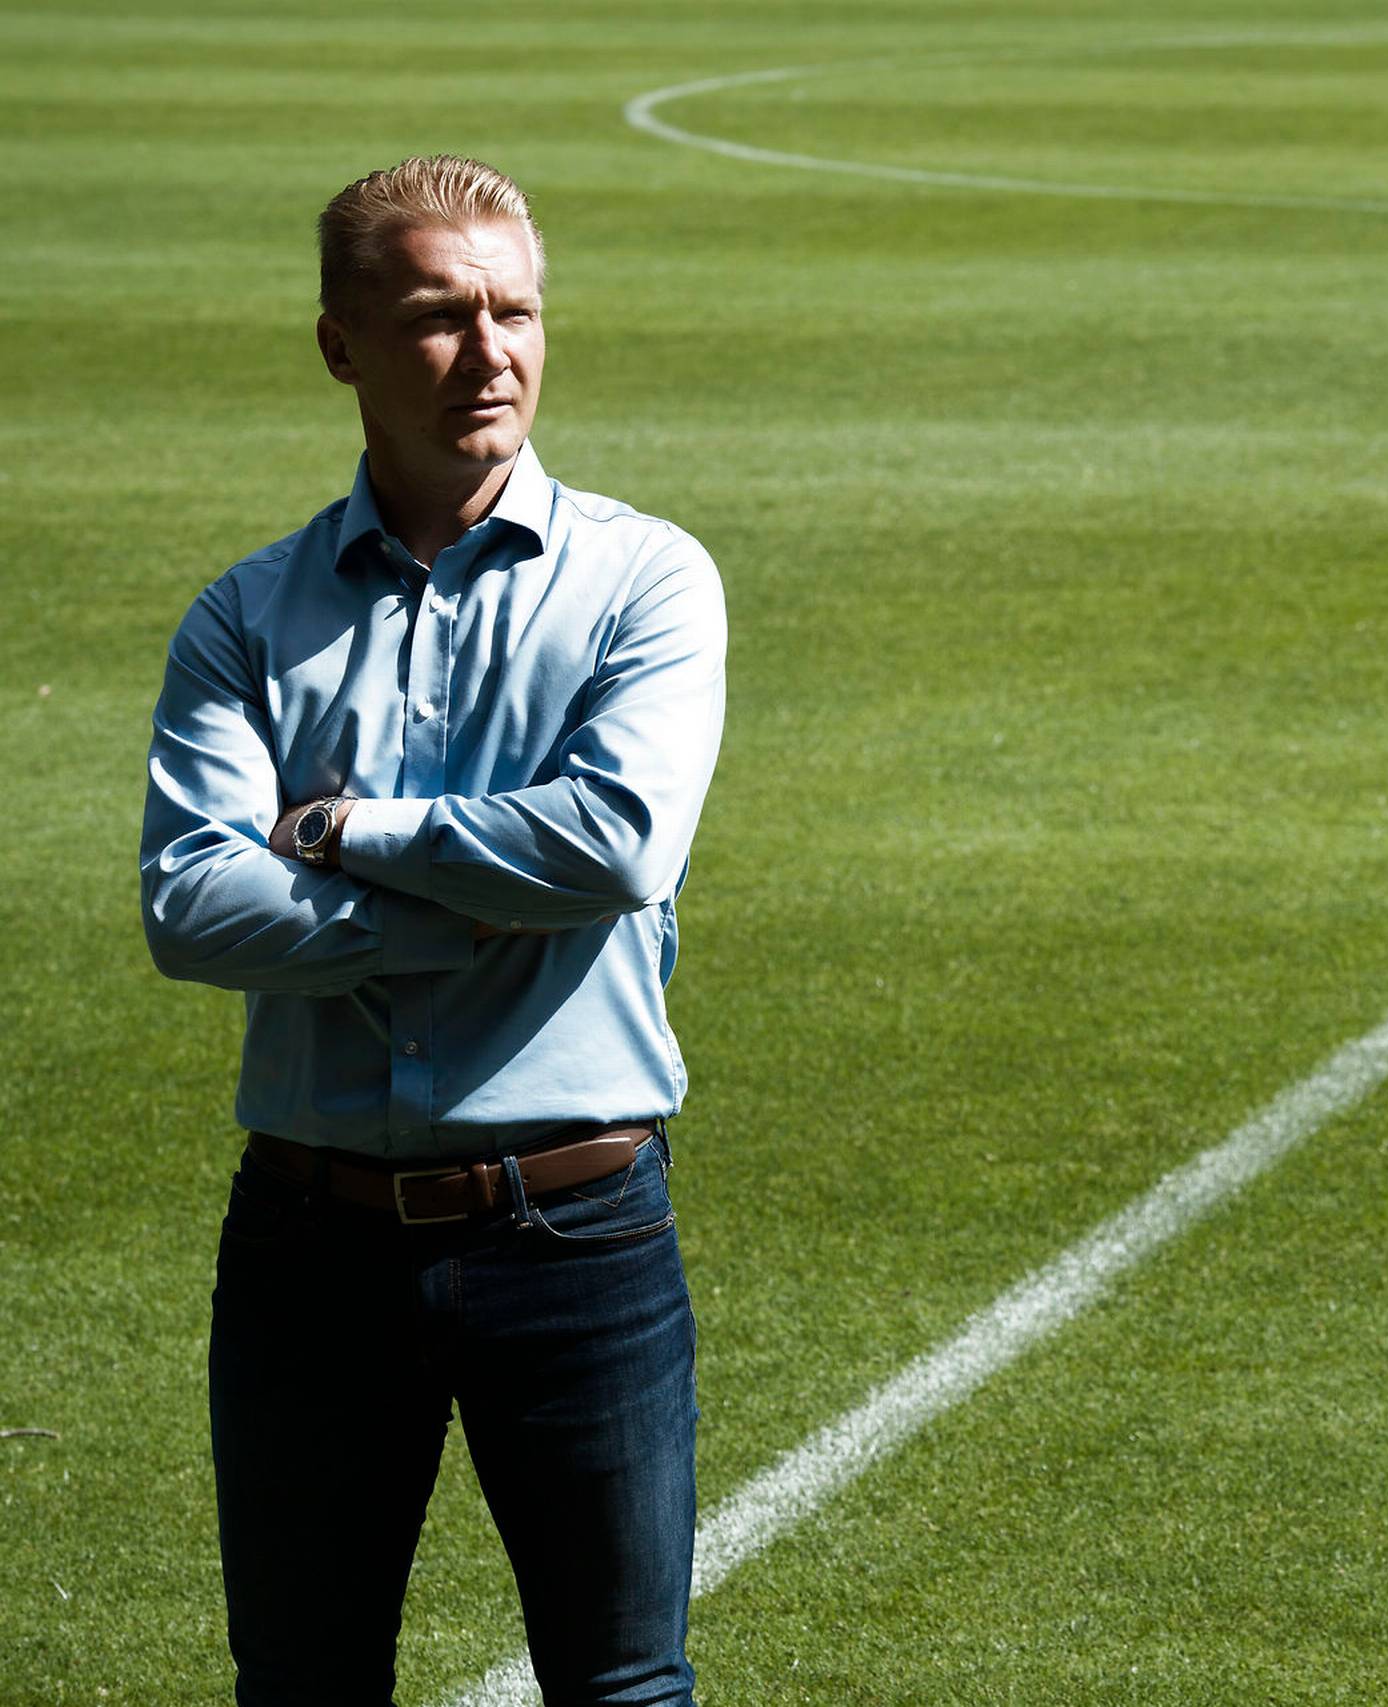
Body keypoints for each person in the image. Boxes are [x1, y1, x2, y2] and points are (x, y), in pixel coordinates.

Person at [139, 155, 724, 1705]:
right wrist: (487, 904)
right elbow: (192, 902)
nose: (490, 354)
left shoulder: (645, 581)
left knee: (622, 1692)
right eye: (436, 319)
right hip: (309, 1247)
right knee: (305, 1685)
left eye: (514, 311)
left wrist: (344, 836)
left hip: (576, 1233)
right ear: (339, 345)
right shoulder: (246, 617)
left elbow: (610, 843)